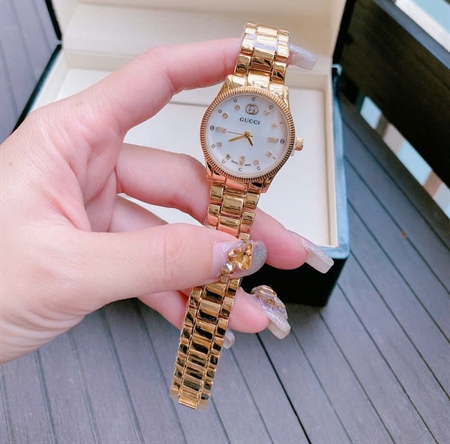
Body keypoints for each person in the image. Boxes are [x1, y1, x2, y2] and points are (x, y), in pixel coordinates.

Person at [0, 37, 333, 364]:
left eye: (256, 134)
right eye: (242, 131)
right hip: (224, 173)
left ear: (290, 144)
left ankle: (194, 370)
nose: (247, 134)